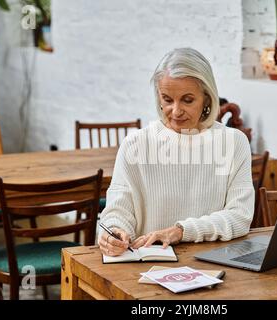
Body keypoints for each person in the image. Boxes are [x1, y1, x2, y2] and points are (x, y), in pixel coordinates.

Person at [98, 48, 254, 257]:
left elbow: (240, 217)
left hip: (215, 265)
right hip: (149, 267)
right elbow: (117, 212)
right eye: (167, 99)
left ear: (207, 99)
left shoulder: (234, 143)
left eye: (187, 100)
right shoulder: (135, 144)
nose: (176, 110)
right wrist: (115, 232)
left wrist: (180, 231)